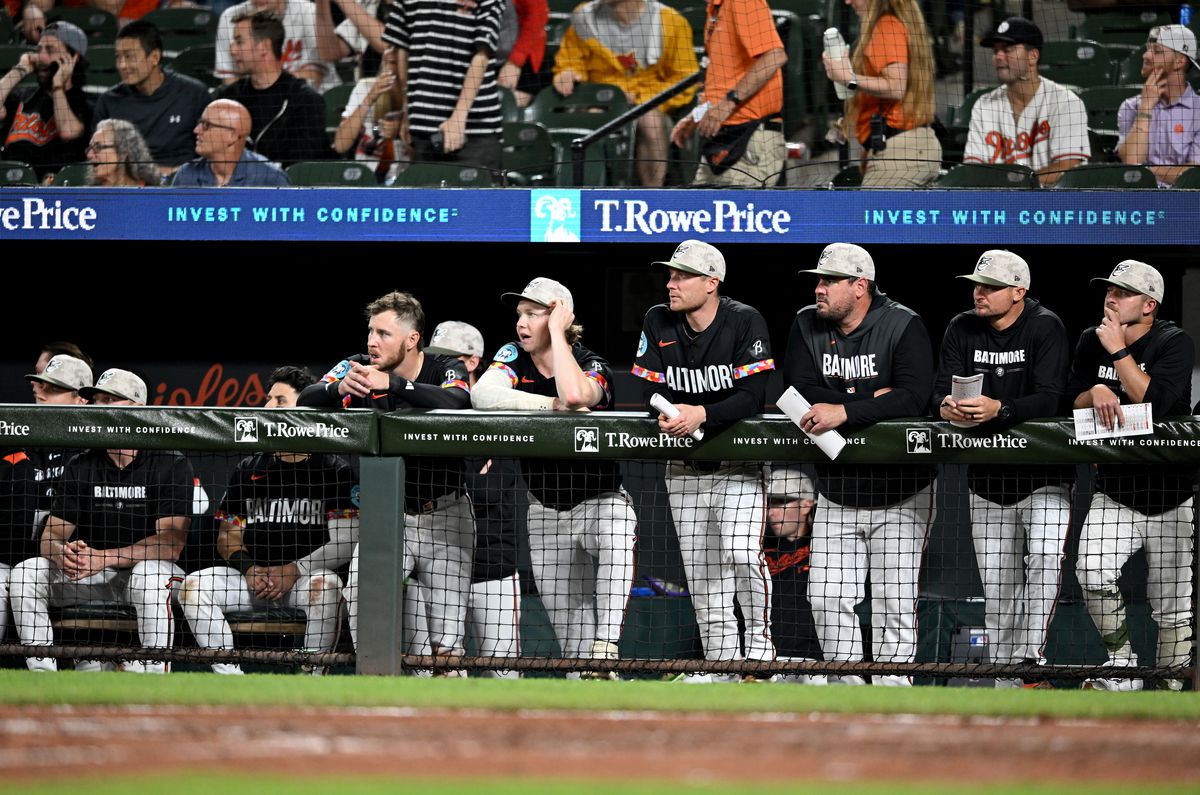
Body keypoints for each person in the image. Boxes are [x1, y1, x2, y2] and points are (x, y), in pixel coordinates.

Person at [784, 242, 934, 686]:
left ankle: (892, 697)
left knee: (893, 603)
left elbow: (914, 397)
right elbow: (799, 392)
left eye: (829, 281)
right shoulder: (804, 324)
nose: (819, 288)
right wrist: (874, 400)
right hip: (837, 488)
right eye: (819, 280)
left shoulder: (903, 324)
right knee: (827, 597)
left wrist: (843, 411)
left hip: (901, 492)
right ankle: (849, 695)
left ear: (860, 286)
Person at [298, 292, 475, 666]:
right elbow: (306, 400)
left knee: (446, 644)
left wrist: (392, 385)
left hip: (446, 514)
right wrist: (338, 388)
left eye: (383, 334)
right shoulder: (356, 366)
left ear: (412, 339)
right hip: (387, 518)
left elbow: (459, 401)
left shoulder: (445, 365)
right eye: (370, 331)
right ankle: (373, 692)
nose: (371, 342)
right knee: (363, 599)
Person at [472, 279, 636, 675]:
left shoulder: (590, 361)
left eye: (533, 314)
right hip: (544, 511)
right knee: (572, 647)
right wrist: (549, 404)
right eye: (520, 315)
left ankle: (607, 644)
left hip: (601, 500)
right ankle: (592, 677)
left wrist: (560, 337)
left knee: (619, 531)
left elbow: (579, 396)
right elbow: (482, 396)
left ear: (560, 316)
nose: (521, 323)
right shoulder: (513, 356)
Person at [631, 240, 776, 676]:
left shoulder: (744, 320)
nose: (671, 283)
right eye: (670, 275)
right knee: (703, 573)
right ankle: (723, 664)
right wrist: (672, 412)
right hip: (683, 469)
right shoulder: (657, 319)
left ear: (712, 283)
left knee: (741, 553)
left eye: (682, 276)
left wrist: (702, 414)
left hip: (738, 467)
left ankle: (761, 651)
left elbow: (754, 397)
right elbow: (645, 390)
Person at [932, 250, 1072, 687]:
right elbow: (939, 390)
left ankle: (1030, 662)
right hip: (988, 478)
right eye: (977, 284)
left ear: (1018, 291)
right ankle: (1010, 682)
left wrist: (1000, 408)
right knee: (999, 589)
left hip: (1044, 476)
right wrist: (947, 407)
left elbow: (1051, 397)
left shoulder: (1045, 326)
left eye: (990, 286)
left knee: (1047, 559)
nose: (979, 293)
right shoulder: (961, 327)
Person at [10, 369, 195, 673]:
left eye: (111, 399)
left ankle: (153, 676)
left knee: (149, 577)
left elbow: (170, 544)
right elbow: (51, 534)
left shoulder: (170, 462)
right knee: (26, 573)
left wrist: (104, 557)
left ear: (137, 409)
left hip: (150, 576)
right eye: (98, 400)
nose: (101, 407)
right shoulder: (82, 463)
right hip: (91, 573)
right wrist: (62, 553)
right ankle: (42, 677)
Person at [179, 366, 359, 675]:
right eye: (268, 400)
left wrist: (294, 570)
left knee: (328, 587)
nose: (267, 408)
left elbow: (345, 543)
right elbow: (227, 536)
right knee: (193, 586)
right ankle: (230, 680)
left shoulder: (334, 469)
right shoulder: (250, 466)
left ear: (306, 409)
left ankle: (311, 677)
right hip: (253, 578)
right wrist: (248, 569)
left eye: (279, 400)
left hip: (304, 580)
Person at [1068, 261, 1195, 692]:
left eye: (1122, 292)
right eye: (1109, 289)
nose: (1111, 297)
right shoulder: (1091, 339)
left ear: (1149, 305)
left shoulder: (1174, 343)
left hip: (1172, 496)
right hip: (1115, 490)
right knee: (1090, 569)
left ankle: (1170, 686)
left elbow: (1156, 406)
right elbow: (1070, 403)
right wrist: (1096, 391)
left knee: (1172, 610)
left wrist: (1120, 352)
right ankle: (1121, 665)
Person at [405, 320, 521, 678]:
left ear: (472, 362)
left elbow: (485, 491)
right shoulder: (424, 412)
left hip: (490, 568)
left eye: (451, 359)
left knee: (503, 677)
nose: (443, 367)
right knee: (430, 674)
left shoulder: (495, 411)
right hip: (433, 569)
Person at [552, 0, 698, 187]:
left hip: (651, 105)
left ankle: (652, 195)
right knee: (591, 119)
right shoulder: (585, 16)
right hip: (602, 101)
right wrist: (567, 73)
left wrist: (639, 98)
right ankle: (587, 194)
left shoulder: (671, 21)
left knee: (650, 121)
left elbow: (684, 79)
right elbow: (570, 61)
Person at [821, 0, 940, 188]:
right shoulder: (898, 23)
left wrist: (848, 78)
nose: (848, 1)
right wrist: (870, 147)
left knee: (867, 217)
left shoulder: (886, 26)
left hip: (900, 154)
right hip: (912, 148)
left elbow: (896, 86)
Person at [669, 0, 786, 186]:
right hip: (719, 137)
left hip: (749, 138)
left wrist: (727, 104)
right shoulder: (714, 7)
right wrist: (696, 114)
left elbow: (774, 56)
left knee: (739, 213)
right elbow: (725, 76)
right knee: (702, 212)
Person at [963, 17, 1090, 187]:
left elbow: (1068, 167)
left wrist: (1017, 185)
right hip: (996, 204)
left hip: (1051, 204)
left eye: (1007, 49)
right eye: (995, 51)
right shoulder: (983, 105)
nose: (998, 57)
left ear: (1033, 56)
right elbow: (972, 170)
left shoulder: (1066, 103)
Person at [383, 0, 507, 171]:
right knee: (426, 198)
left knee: (479, 197)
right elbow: (403, 48)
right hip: (423, 127)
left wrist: (458, 117)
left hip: (476, 130)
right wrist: (407, 109)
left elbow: (483, 54)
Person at [217, 10, 332, 168]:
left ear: (264, 46)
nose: (232, 50)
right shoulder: (229, 98)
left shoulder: (304, 100)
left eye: (239, 42)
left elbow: (302, 167)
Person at [92, 21, 209, 172]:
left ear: (154, 57)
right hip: (130, 186)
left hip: (183, 184)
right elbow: (98, 155)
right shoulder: (109, 101)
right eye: (118, 57)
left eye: (129, 57)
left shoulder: (194, 94)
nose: (122, 65)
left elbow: (211, 152)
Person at [0, 21, 91, 178]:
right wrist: (20, 70)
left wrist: (57, 86)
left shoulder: (84, 103)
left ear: (73, 58)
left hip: (55, 194)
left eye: (50, 50)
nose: (41, 57)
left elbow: (67, 132)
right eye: (39, 49)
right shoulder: (24, 96)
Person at [1117, 25, 1200, 187]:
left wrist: (1145, 170)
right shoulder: (1131, 106)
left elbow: (1194, 176)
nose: (1145, 55)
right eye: (1148, 49)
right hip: (1139, 200)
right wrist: (1145, 108)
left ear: (1179, 61)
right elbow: (1132, 161)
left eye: (1157, 51)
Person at [764, 467, 824, 684]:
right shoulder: (756, 549)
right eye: (770, 503)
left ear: (807, 504)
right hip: (766, 661)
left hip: (816, 663)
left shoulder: (829, 548)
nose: (772, 511)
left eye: (781, 502)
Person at [215, 0, 336, 89]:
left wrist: (264, 88)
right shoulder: (231, 17)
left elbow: (313, 77)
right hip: (256, 101)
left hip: (316, 97)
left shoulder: (309, 12)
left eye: (240, 42)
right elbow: (230, 79)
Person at [173, 98, 290, 187]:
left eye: (206, 125)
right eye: (199, 123)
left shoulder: (270, 178)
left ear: (232, 136)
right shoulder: (186, 174)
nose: (196, 130)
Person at [332, 48, 405, 182]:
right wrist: (370, 98)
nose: (389, 69)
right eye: (387, 62)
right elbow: (340, 144)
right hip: (366, 173)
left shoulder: (418, 93)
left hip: (405, 175)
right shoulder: (365, 87)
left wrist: (400, 131)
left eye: (394, 63)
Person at [86, 119, 160, 186]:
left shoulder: (151, 192)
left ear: (124, 152)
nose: (89, 155)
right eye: (90, 148)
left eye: (98, 147)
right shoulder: (87, 195)